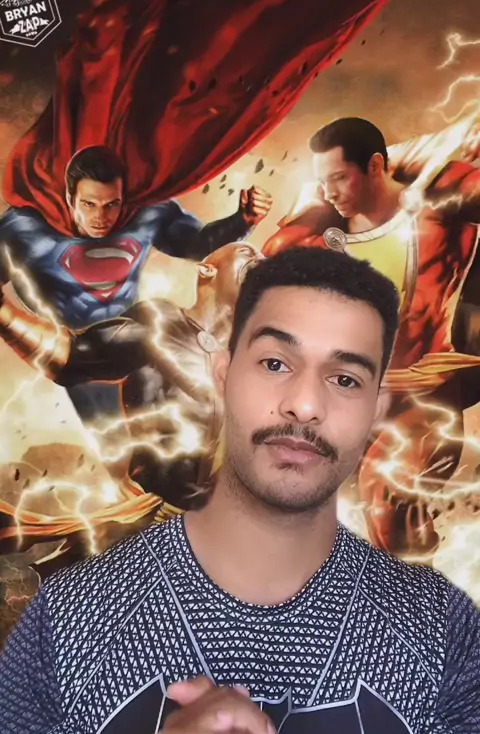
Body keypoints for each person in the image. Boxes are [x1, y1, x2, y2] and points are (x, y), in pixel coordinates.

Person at [0, 247, 479, 734]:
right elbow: (72, 354)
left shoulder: (442, 630)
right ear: (223, 374)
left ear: (376, 408)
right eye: (275, 363)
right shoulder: (66, 619)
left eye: (345, 378)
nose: (305, 404)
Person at [263, 117, 480, 557]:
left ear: (376, 166)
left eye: (339, 178)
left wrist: (428, 156)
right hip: (342, 404)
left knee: (386, 496)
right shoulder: (319, 234)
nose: (330, 191)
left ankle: (412, 591)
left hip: (420, 404)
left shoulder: (438, 208)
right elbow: (269, 262)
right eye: (323, 181)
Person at [0, 144, 272, 427]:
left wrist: (242, 220)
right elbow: (71, 359)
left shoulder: (146, 215)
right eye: (89, 204)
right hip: (80, 350)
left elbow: (199, 246)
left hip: (131, 343)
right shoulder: (24, 230)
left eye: (112, 204)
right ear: (70, 197)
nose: (100, 217)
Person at [0, 242, 260, 515]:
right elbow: (73, 357)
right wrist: (5, 313)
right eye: (247, 252)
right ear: (207, 270)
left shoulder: (250, 364)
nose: (259, 260)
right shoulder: (161, 323)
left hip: (209, 522)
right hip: (150, 513)